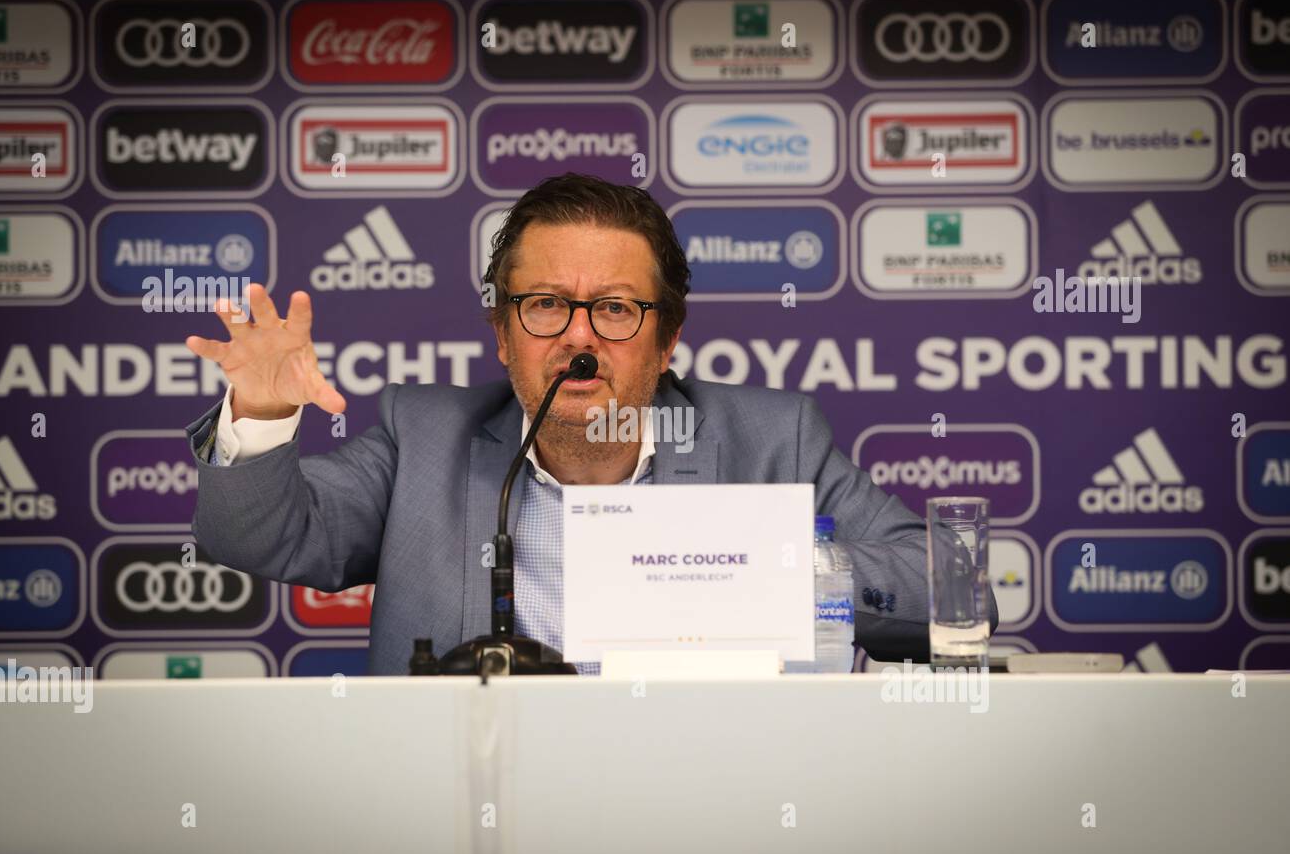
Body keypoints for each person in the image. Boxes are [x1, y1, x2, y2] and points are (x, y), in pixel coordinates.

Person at [183, 173, 996, 674]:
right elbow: (263, 536)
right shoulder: (423, 434)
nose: (577, 335)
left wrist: (770, 570)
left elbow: (952, 593)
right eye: (545, 306)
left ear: (667, 338)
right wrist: (259, 414)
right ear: (502, 333)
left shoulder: (771, 438)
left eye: (613, 308)